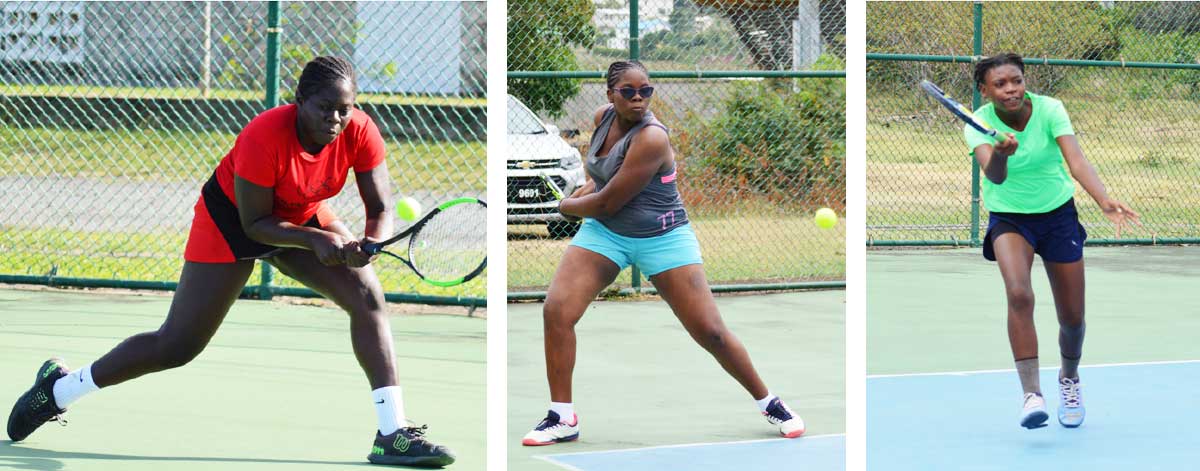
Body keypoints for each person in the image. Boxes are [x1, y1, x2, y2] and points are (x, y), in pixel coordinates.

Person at [5, 56, 455, 467]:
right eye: (325, 108)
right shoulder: (264, 135)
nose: (336, 119)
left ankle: (392, 433)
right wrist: (316, 239)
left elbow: (380, 207)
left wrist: (370, 242)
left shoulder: (359, 130)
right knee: (176, 346)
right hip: (234, 221)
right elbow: (255, 224)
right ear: (299, 100)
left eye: (345, 109)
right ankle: (59, 389)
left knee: (367, 297)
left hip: (301, 214)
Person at [521, 60, 805, 446]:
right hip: (606, 235)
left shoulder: (652, 138)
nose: (639, 99)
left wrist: (564, 207)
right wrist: (583, 191)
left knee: (711, 332)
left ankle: (770, 403)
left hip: (663, 237)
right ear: (610, 95)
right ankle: (562, 417)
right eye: (628, 92)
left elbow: (607, 202)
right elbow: (601, 181)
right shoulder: (603, 118)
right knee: (557, 310)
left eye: (646, 91)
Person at [965, 53, 1140, 429]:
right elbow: (994, 177)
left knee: (1073, 320)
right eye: (1000, 84)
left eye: (1017, 81)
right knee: (1019, 294)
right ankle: (1032, 395)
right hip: (1010, 218)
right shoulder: (979, 122)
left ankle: (1069, 378)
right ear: (985, 90)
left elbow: (1076, 160)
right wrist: (1002, 155)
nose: (1011, 90)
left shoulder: (1050, 109)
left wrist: (1103, 200)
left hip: (1058, 215)